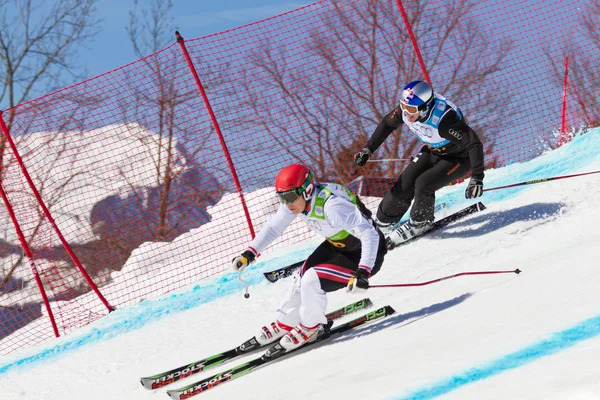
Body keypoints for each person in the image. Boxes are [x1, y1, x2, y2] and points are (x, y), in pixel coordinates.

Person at [231, 163, 387, 351]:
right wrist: (250, 253)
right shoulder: (295, 204)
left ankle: (312, 327)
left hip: (366, 254)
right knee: (301, 277)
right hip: (338, 245)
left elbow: (369, 234)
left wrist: (363, 272)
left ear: (307, 190)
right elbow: (273, 227)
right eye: (281, 197)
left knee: (312, 281)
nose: (286, 203)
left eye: (289, 197)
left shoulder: (332, 206)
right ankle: (286, 322)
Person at [354, 80, 485, 246]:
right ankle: (383, 222)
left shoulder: (444, 120)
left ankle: (421, 222)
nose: (406, 113)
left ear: (424, 108)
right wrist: (368, 149)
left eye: (411, 109)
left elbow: (474, 144)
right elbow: (387, 124)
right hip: (433, 151)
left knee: (424, 183)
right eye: (403, 106)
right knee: (405, 182)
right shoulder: (406, 110)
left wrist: (477, 178)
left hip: (458, 158)